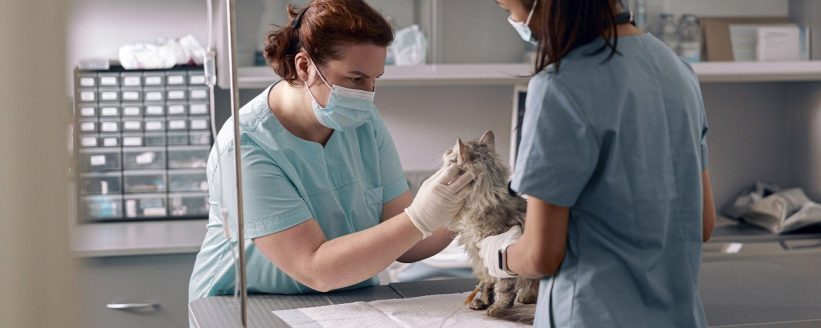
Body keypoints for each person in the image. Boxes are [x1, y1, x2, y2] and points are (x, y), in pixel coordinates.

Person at [189, 0, 473, 302]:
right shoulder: (245, 147)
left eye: (374, 79)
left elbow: (408, 243)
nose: (367, 94)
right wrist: (419, 217)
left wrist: (466, 206)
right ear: (304, 67)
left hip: (340, 301)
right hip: (247, 302)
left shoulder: (364, 123)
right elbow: (315, 268)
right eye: (355, 78)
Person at [477, 0, 717, 326]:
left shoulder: (560, 86)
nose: (515, 21)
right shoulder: (678, 71)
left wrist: (499, 255)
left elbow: (541, 256)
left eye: (509, 10)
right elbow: (703, 222)